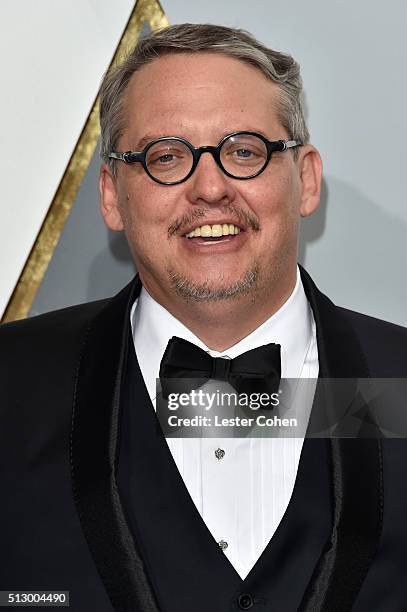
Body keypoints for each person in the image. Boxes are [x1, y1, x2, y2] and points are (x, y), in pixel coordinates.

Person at [1, 23, 407, 612]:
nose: (210, 187)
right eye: (166, 156)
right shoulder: (10, 384)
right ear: (112, 195)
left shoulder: (401, 381)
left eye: (244, 150)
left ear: (307, 180)